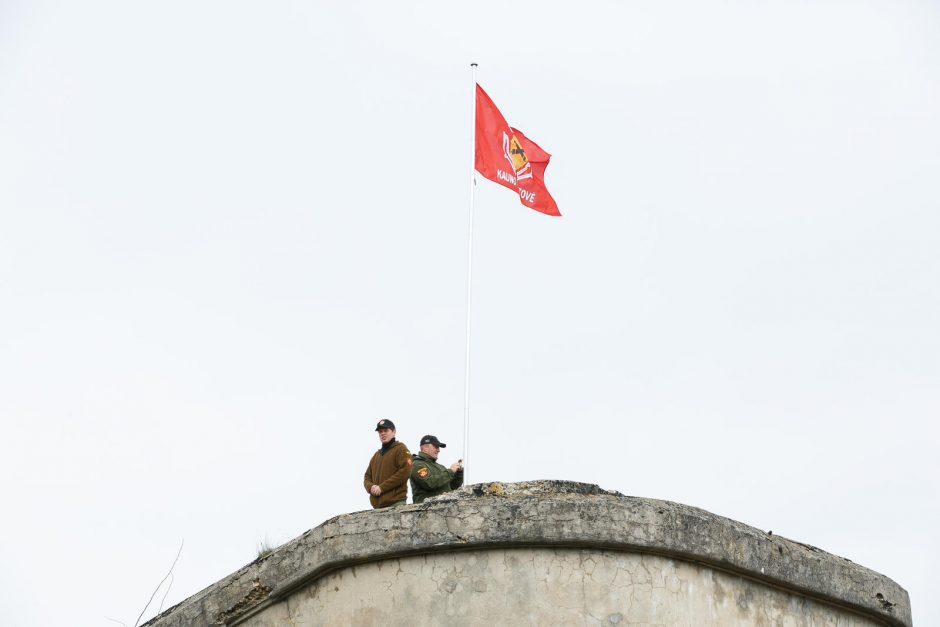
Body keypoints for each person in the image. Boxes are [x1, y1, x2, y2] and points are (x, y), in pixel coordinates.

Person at [363, 419, 412, 509]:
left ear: (394, 432)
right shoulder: (376, 456)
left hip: (396, 503)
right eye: (380, 431)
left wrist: (382, 487)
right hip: (377, 507)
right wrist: (371, 487)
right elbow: (367, 477)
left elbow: (405, 472)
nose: (383, 433)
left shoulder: (401, 449)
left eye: (386, 430)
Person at [410, 434, 464, 504]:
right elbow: (430, 483)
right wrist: (450, 471)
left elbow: (452, 488)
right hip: (427, 509)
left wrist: (458, 473)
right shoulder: (417, 464)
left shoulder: (441, 467)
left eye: (439, 447)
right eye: (436, 446)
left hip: (444, 509)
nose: (438, 450)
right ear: (425, 447)